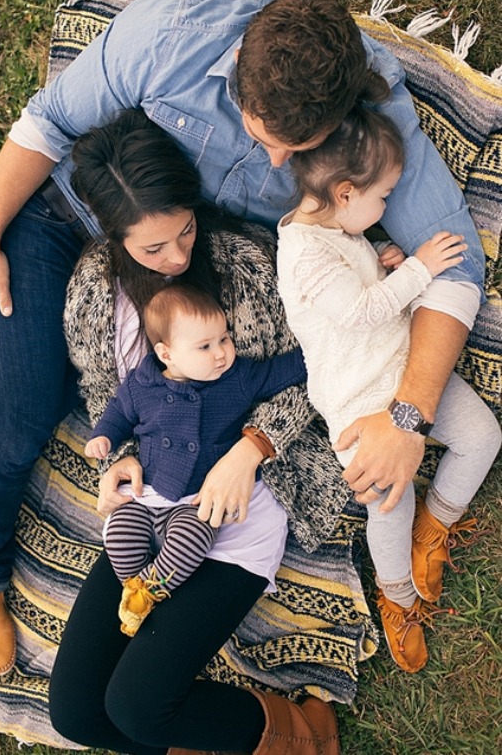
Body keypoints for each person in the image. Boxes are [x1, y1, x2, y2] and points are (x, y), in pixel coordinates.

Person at [0, 0, 485, 675]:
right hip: (65, 227)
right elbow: (49, 119)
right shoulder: (171, 34)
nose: (276, 163)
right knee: (25, 413)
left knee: (45, 398)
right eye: (267, 137)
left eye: (299, 150)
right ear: (238, 65)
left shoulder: (371, 98)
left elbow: (458, 262)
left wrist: (408, 415)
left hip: (167, 266)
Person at [50, 109, 341, 753]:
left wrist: (253, 447)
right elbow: (106, 391)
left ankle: (297, 735)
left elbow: (315, 364)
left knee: (137, 705)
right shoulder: (94, 290)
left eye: (184, 231)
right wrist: (119, 459)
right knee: (75, 713)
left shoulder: (242, 264)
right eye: (152, 247)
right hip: (154, 509)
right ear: (112, 234)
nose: (177, 257)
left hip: (244, 501)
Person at [276, 106, 501, 673]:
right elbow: (355, 310)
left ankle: (438, 524)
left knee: (482, 436)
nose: (387, 208)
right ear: (346, 193)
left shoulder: (334, 228)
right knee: (388, 504)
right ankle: (397, 598)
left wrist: (381, 262)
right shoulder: (301, 252)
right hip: (357, 402)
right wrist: (418, 270)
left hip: (402, 373)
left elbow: (359, 286)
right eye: (385, 197)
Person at [87, 283, 306, 636]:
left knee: (196, 534)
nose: (220, 353)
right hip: (149, 493)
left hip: (198, 498)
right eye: (205, 346)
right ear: (166, 354)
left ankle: (153, 588)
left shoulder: (237, 379)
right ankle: (134, 584)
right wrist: (103, 436)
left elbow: (284, 370)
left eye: (224, 339)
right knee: (121, 532)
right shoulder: (141, 385)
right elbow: (118, 413)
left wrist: (320, 347)